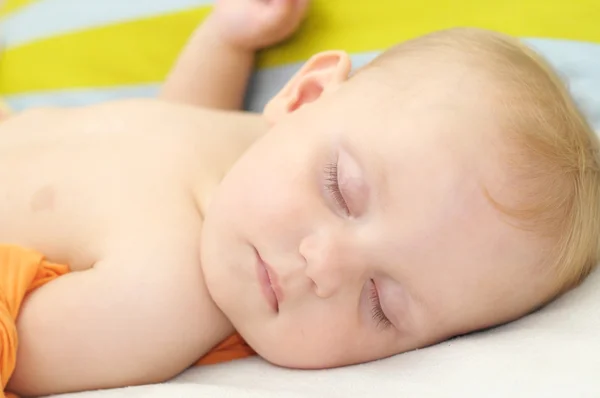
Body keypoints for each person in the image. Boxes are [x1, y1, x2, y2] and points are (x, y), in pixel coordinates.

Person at [2, 0, 599, 396]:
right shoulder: (235, 156)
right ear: (304, 96)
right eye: (341, 190)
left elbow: (16, 349)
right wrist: (227, 40)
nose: (322, 266)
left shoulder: (160, 304)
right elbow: (172, 121)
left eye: (380, 305)